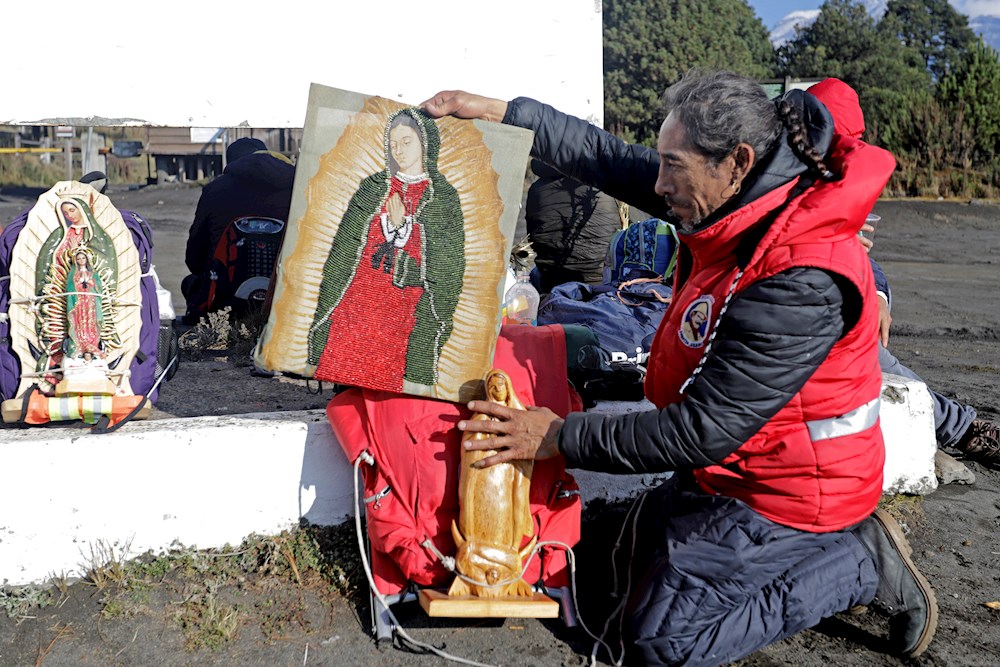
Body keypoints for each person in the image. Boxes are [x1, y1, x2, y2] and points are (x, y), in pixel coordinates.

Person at [422, 70, 938, 665]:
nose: (657, 182)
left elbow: (704, 430)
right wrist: (499, 111)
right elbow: (606, 157)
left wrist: (557, 436)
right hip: (734, 470)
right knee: (594, 571)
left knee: (658, 644)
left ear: (736, 161)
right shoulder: (741, 194)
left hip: (789, 495)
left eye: (673, 166)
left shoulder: (799, 278)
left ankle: (858, 565)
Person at [808, 77, 1000, 469]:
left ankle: (957, 429)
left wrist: (876, 296)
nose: (838, 159)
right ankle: (962, 430)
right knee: (859, 347)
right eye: (833, 147)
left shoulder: (834, 179)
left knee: (863, 333)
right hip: (779, 311)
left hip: (824, 302)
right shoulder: (764, 177)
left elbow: (868, 263)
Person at [306, 108, 464, 393]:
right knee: (348, 384)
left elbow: (446, 268)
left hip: (405, 309)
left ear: (425, 143)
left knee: (394, 393)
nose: (399, 151)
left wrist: (404, 230)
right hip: (359, 300)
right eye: (393, 144)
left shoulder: (442, 198)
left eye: (406, 142)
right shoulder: (373, 187)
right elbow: (344, 247)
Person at [181, 136, 295, 321]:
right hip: (282, 297)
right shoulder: (296, 187)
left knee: (190, 283)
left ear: (232, 162)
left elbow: (194, 260)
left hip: (224, 300)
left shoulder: (214, 189)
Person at [524, 159, 622, 294]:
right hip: (599, 282)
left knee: (533, 273)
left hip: (551, 282)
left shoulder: (536, 191)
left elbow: (533, 238)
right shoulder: (606, 190)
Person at [65, 249, 104, 358]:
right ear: (75, 261)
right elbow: (69, 288)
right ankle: (79, 344)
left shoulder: (92, 273)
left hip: (91, 302)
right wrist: (78, 284)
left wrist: (91, 283)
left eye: (83, 258)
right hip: (79, 303)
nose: (81, 260)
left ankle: (92, 344)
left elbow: (99, 287)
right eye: (78, 259)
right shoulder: (73, 274)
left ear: (87, 259)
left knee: (91, 323)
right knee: (79, 323)